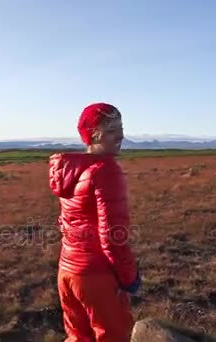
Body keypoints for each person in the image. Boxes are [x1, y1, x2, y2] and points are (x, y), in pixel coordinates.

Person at [48, 102, 142, 342]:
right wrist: (128, 277)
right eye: (111, 130)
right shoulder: (106, 170)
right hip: (96, 275)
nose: (120, 135)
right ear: (94, 135)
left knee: (78, 337)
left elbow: (66, 222)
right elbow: (113, 234)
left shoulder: (70, 170)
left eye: (121, 127)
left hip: (67, 272)